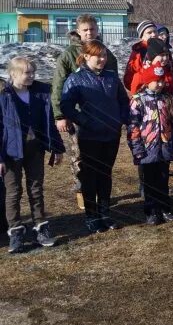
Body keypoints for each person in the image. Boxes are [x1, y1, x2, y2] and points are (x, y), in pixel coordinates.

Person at [61, 40, 129, 233]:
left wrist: (120, 119)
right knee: (90, 176)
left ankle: (105, 214)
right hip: (90, 135)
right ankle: (91, 216)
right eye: (98, 55)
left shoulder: (111, 77)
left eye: (105, 55)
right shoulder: (77, 79)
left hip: (111, 134)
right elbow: (66, 105)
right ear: (87, 56)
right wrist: (84, 120)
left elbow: (123, 101)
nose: (102, 59)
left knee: (105, 174)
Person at [52, 14, 118, 211]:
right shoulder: (68, 55)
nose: (89, 32)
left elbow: (113, 83)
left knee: (103, 163)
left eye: (92, 29)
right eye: (85, 30)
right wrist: (60, 115)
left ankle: (102, 198)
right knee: (80, 159)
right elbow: (58, 86)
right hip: (79, 116)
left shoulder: (107, 54)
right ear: (78, 32)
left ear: (97, 30)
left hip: (105, 120)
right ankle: (85, 198)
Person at [1, 57, 65, 253]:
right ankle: (16, 232)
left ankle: (41, 227)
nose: (31, 76)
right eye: (26, 73)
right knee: (13, 192)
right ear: (13, 74)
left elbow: (49, 122)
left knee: (36, 188)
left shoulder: (40, 93)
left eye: (32, 72)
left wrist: (57, 147)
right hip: (11, 152)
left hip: (35, 149)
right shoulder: (4, 96)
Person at [127, 64, 173, 225]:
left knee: (163, 179)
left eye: (161, 81)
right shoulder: (138, 101)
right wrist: (136, 148)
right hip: (146, 148)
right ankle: (151, 210)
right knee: (149, 182)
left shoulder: (166, 99)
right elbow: (133, 126)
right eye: (155, 81)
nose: (159, 84)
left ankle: (165, 207)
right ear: (147, 81)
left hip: (164, 146)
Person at [123, 20, 160, 93]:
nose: (153, 34)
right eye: (149, 32)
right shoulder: (138, 52)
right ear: (142, 36)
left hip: (161, 91)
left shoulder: (162, 48)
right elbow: (131, 75)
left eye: (155, 31)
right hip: (143, 92)